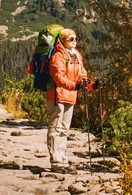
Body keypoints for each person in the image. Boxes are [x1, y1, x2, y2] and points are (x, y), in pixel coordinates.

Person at [44, 28, 104, 174]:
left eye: (76, 38)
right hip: (57, 96)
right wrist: (75, 86)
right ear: (62, 40)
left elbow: (82, 76)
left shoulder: (76, 56)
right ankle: (56, 161)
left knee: (64, 130)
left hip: (70, 96)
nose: (74, 41)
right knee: (56, 129)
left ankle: (63, 159)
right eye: (71, 39)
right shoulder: (58, 56)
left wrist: (92, 85)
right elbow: (58, 78)